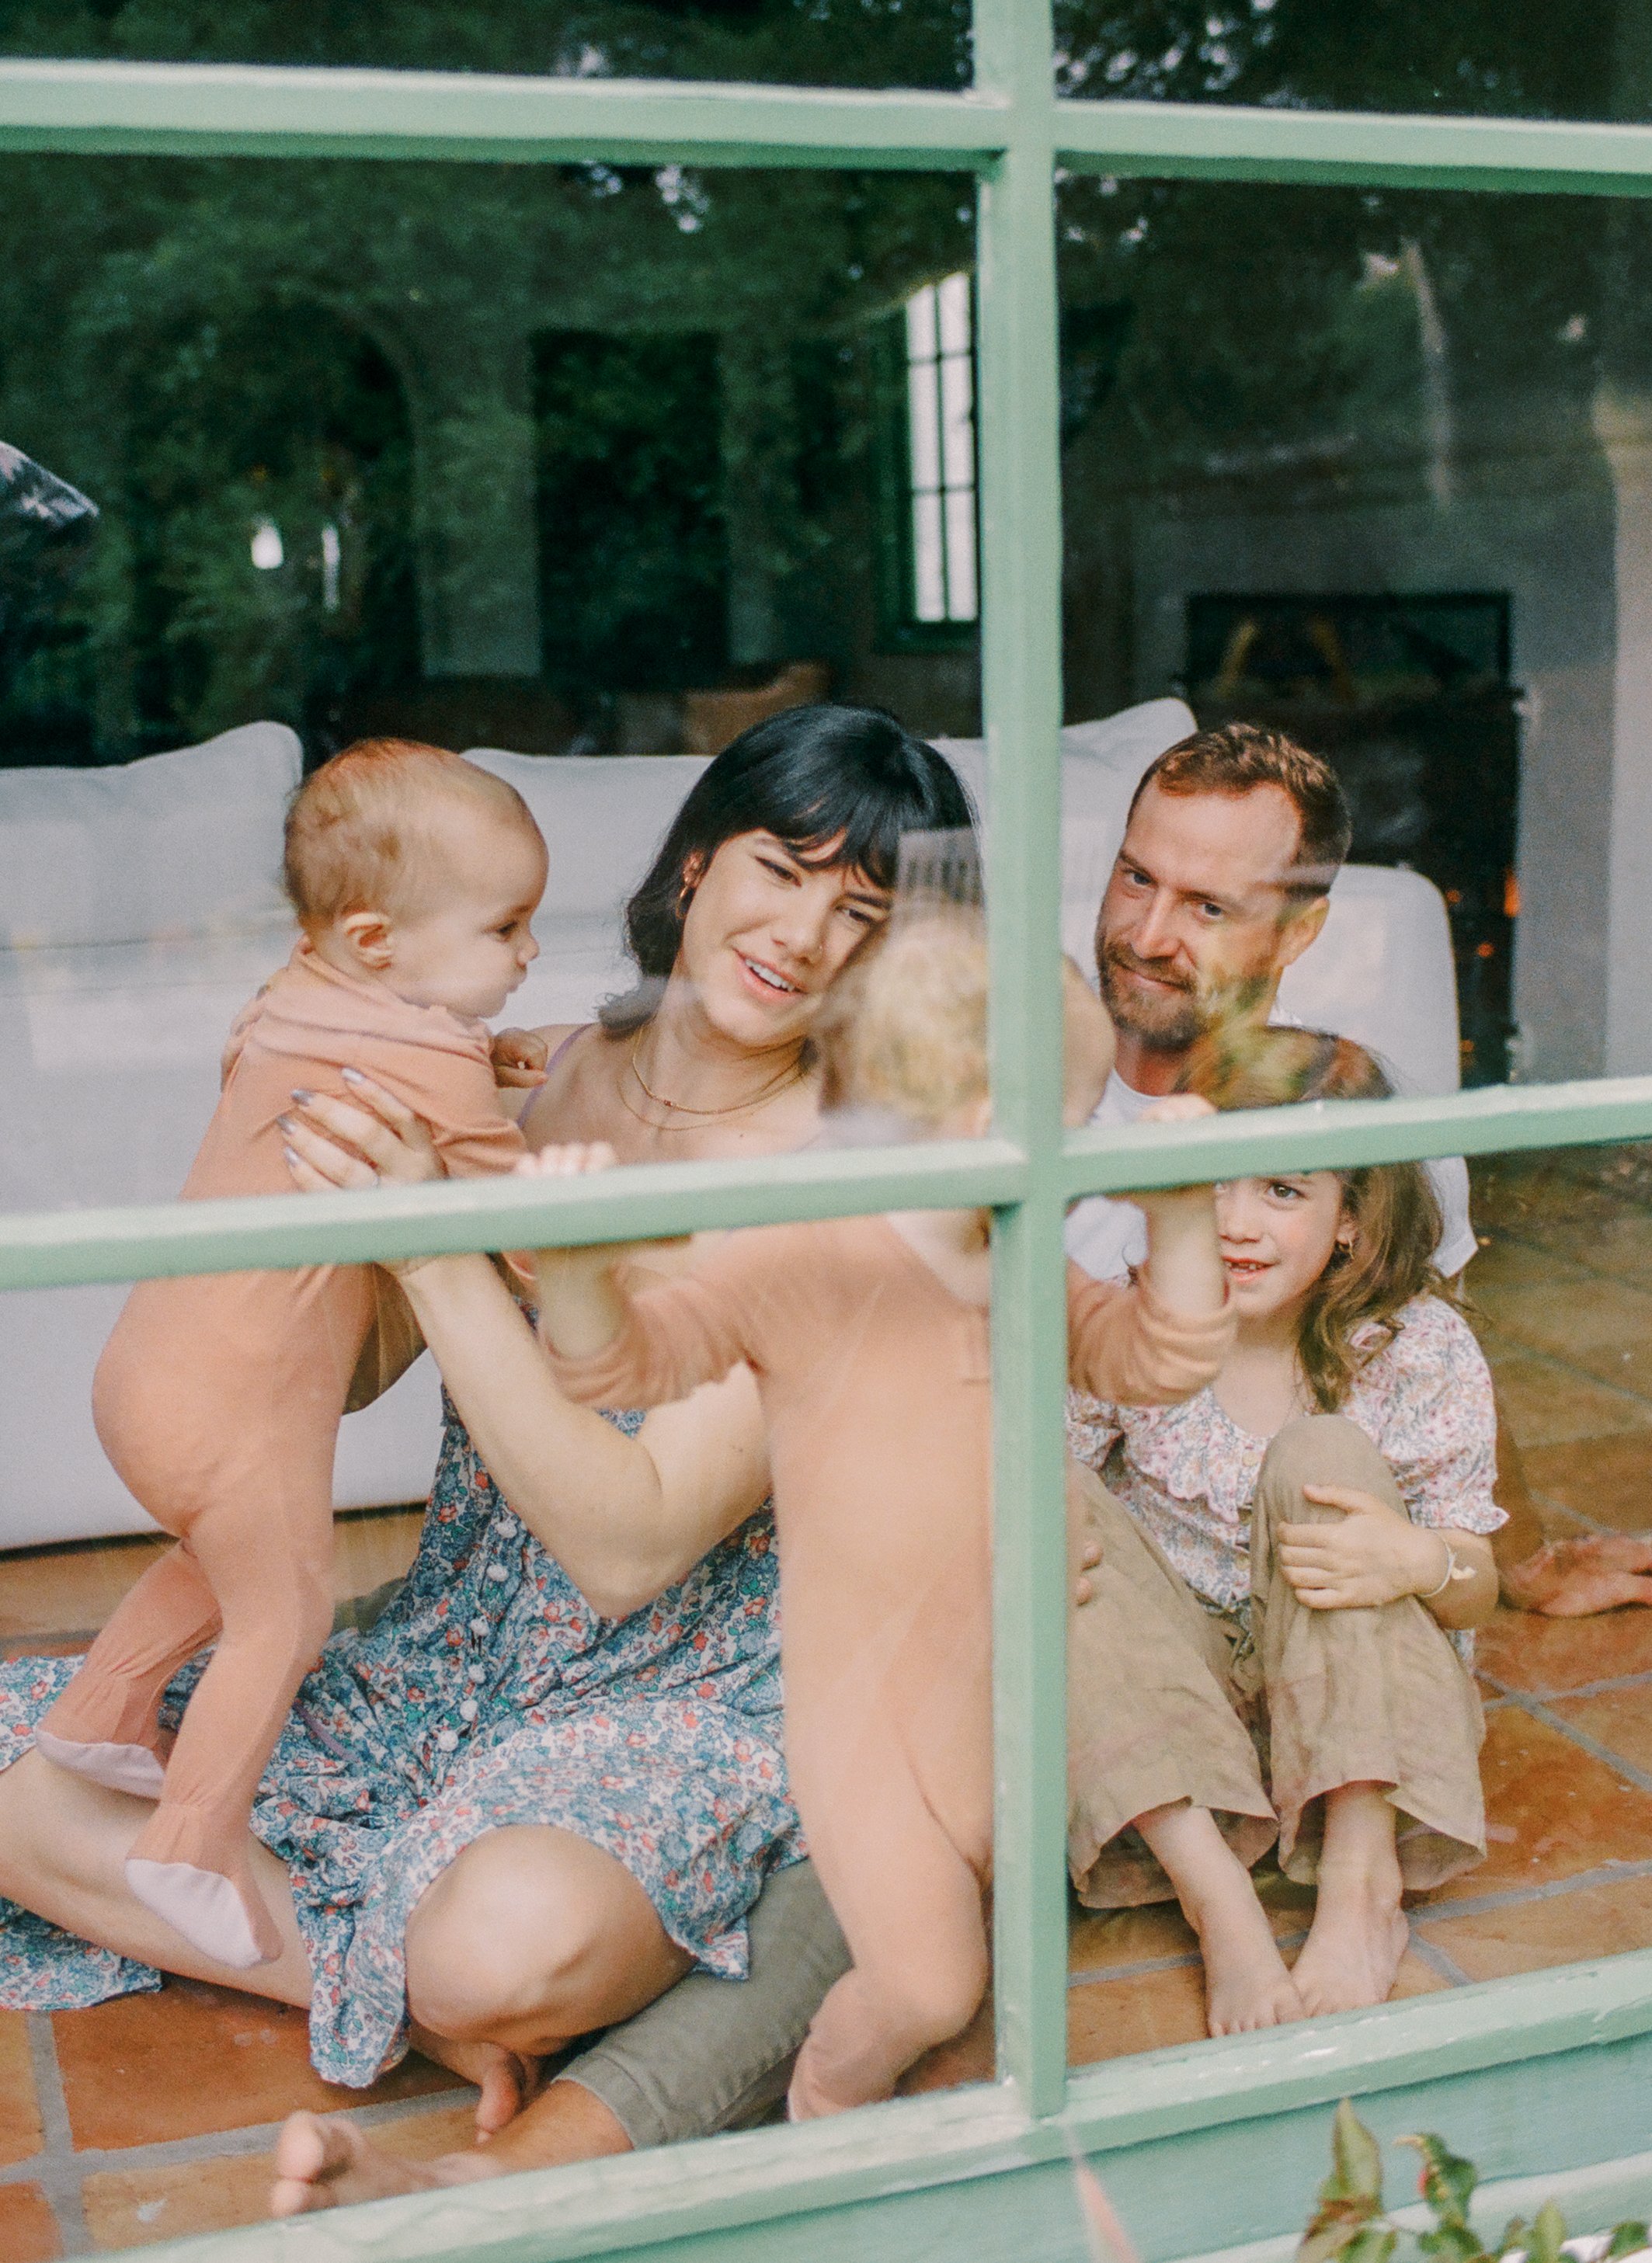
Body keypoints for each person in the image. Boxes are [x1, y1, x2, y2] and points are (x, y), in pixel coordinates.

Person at [0, 700, 976, 2215]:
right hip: (460, 1639)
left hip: (685, 1680)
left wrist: (446, 1241)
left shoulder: (849, 1181)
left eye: (862, 917)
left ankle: (449, 1978)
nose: (803, 935)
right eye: (783, 870)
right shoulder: (552, 1067)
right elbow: (374, 1364)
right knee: (26, 1785)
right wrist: (303, 1193)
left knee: (498, 1936)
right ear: (702, 857)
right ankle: (432, 2003)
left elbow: (631, 1541)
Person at [531, 909, 1233, 2114]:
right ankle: (825, 2106)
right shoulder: (807, 1247)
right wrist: (579, 1267)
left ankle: (915, 2126)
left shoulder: (1010, 1244)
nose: (1076, 1170)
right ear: (975, 1122)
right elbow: (625, 1368)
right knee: (923, 1987)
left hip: (1005, 1684)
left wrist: (1178, 1217)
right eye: (1064, 1128)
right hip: (861, 1705)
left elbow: (1153, 1358)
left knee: (984, 1954)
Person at [36, 740, 545, 1971]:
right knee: (287, 1611)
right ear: (377, 941)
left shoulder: (282, 1000)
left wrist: (485, 1067)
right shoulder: (429, 1054)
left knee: (220, 1553)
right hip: (236, 1410)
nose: (527, 952)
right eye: (506, 927)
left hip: (144, 1376)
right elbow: (517, 1217)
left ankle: (100, 1712)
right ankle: (191, 1843)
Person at [1067, 720, 1652, 1619]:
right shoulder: (1012, 1104)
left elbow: (1437, 1363)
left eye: (1208, 908)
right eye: (1137, 877)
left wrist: (1517, 1556)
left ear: (1300, 932)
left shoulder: (1366, 1124)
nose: (1146, 936)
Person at [1066, 1027, 1503, 2031]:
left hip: (1356, 1693)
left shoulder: (1413, 1345)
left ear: (1348, 1217)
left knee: (1320, 1454)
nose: (1235, 1223)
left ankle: (1360, 1880)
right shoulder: (1139, 1326)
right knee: (1042, 1503)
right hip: (1181, 1700)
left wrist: (1412, 1558)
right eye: (1213, 1182)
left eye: (1282, 1190)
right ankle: (1214, 1896)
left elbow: (1472, 1580)